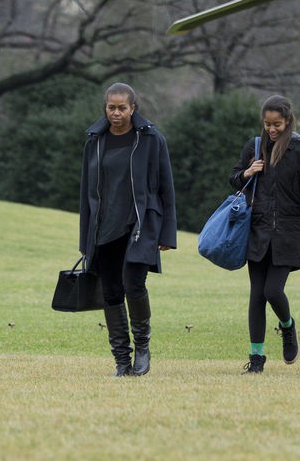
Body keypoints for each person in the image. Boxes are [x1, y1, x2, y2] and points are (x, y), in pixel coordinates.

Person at [79, 82, 177, 377]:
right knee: (111, 292)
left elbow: (166, 187)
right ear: (105, 108)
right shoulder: (94, 140)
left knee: (134, 285)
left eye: (122, 108)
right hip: (103, 227)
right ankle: (122, 359)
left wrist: (167, 234)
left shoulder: (150, 139)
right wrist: (85, 239)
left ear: (133, 108)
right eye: (112, 107)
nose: (116, 113)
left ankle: (143, 347)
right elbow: (86, 193)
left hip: (141, 225)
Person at [228, 96, 300, 374]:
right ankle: (256, 359)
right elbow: (234, 177)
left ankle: (288, 326)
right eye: (267, 124)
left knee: (272, 291)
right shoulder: (254, 147)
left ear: (288, 121)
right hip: (256, 230)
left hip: (287, 231)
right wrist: (247, 172)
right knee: (257, 295)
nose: (271, 129)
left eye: (277, 124)